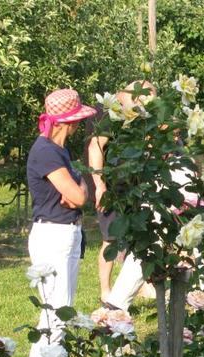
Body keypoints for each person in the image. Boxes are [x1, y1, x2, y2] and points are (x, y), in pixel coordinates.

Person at [26, 89, 96, 357]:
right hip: (53, 235)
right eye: (77, 120)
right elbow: (79, 197)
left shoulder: (59, 150)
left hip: (65, 231)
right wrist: (79, 190)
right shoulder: (46, 152)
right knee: (56, 310)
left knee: (58, 307)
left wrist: (78, 190)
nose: (79, 125)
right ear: (68, 122)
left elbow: (77, 195)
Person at [87, 81, 156, 311]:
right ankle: (105, 290)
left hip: (135, 185)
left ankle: (142, 284)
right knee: (111, 238)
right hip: (112, 187)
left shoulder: (138, 117)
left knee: (140, 234)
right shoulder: (113, 115)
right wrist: (99, 184)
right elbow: (95, 148)